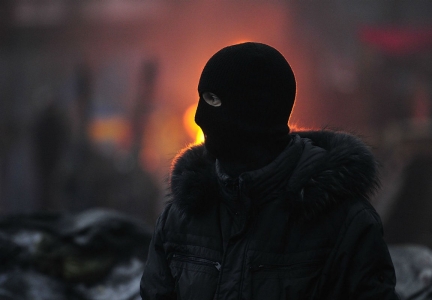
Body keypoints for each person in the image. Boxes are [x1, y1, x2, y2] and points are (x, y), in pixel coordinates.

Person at [140, 42, 399, 299]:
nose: (199, 117)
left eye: (213, 100)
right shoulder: (180, 219)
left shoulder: (345, 225)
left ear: (256, 113)